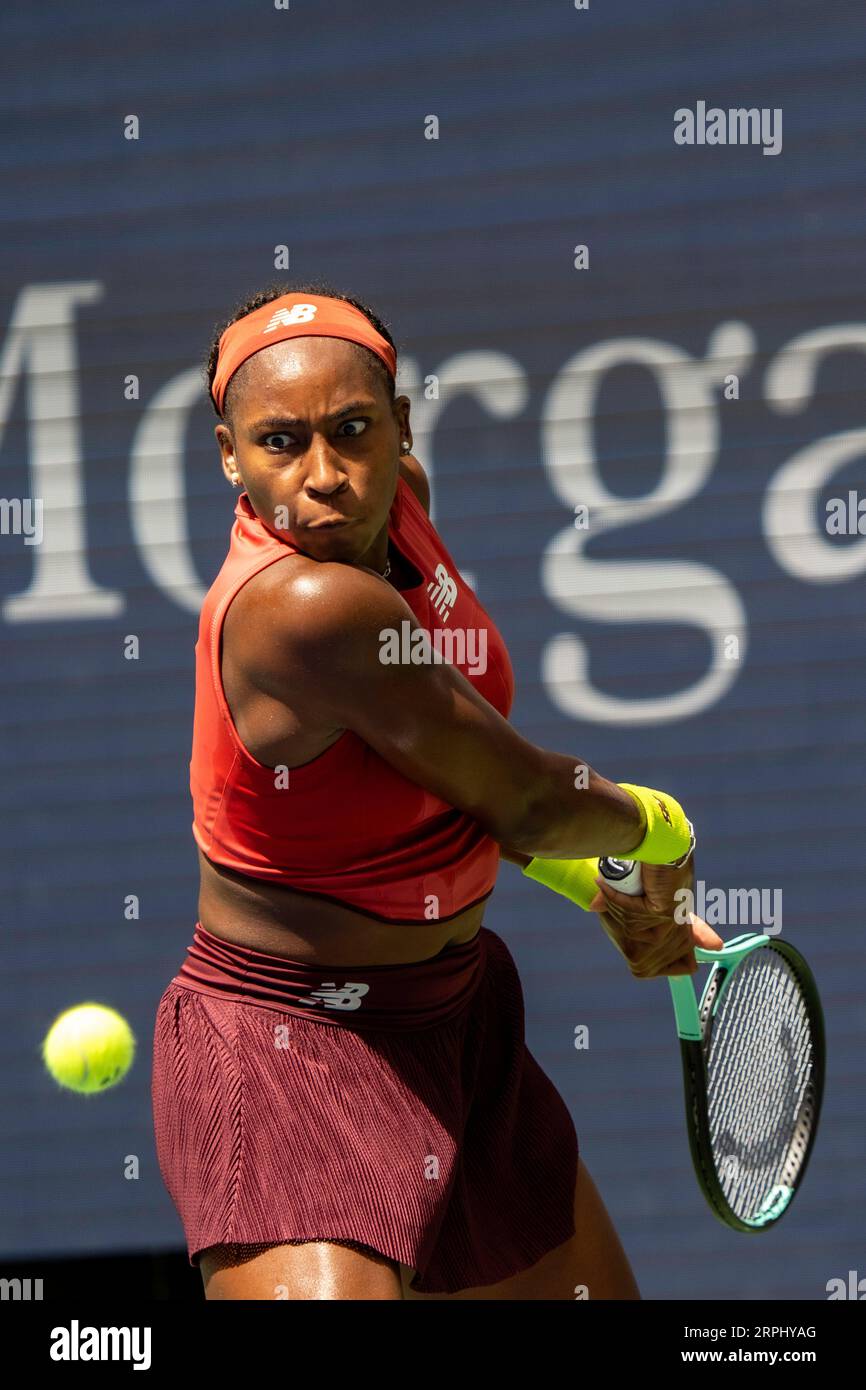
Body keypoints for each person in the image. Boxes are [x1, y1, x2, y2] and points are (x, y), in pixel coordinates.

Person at [151, 281, 722, 1301]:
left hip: (452, 1024)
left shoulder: (397, 499)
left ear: (400, 427)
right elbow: (529, 797)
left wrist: (595, 886)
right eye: (279, 444)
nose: (322, 476)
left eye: (353, 430)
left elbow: (452, 778)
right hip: (290, 1049)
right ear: (229, 455)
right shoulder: (306, 605)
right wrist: (656, 838)